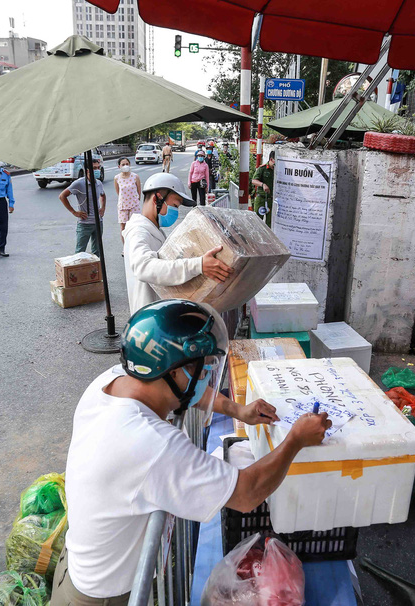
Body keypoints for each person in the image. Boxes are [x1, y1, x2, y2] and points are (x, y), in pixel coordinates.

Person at [51, 299, 331, 605]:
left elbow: (185, 390)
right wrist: (295, 440)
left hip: (78, 565)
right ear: (174, 371)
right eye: (202, 368)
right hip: (106, 596)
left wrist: (238, 410)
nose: (207, 377)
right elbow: (247, 493)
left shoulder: (111, 383)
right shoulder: (150, 443)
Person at [122, 173, 231, 313]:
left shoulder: (154, 230)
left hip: (162, 314)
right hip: (150, 322)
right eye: (174, 205)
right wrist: (198, 265)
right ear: (157, 199)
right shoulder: (138, 232)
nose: (175, 212)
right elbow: (143, 267)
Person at [60, 158, 106, 255]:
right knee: (80, 252)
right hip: (85, 224)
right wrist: (74, 212)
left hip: (98, 222)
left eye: (98, 168)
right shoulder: (79, 184)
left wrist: (102, 208)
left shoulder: (98, 183)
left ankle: (95, 270)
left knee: (97, 251)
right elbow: (62, 196)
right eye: (94, 168)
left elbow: (103, 195)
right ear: (87, 170)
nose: (97, 170)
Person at [114, 158, 142, 244]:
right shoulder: (117, 178)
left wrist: (136, 200)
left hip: (134, 205)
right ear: (119, 166)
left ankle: (135, 245)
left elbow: (139, 190)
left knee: (135, 226)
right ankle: (125, 246)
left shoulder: (135, 176)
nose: (125, 166)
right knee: (123, 227)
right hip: (123, 205)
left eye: (127, 164)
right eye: (123, 164)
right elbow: (118, 192)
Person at [251, 151, 276, 226]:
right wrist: (263, 185)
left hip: (271, 201)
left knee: (270, 224)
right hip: (261, 199)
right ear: (271, 159)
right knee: (258, 223)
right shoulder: (262, 169)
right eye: (275, 161)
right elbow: (253, 181)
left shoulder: (277, 171)